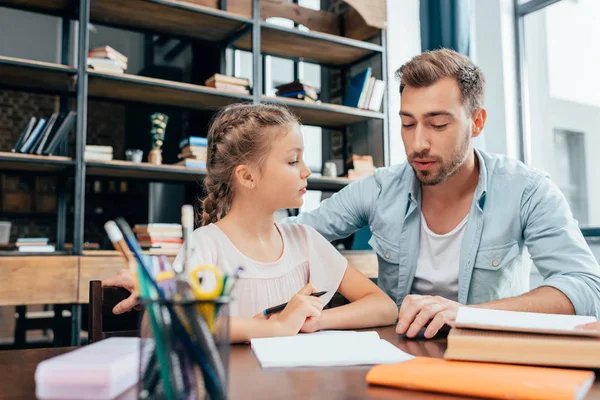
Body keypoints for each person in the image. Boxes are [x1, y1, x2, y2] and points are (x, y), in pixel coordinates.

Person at [288, 48, 600, 339]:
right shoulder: (381, 188)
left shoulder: (528, 190)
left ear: (476, 123)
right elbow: (292, 236)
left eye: (437, 124)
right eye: (408, 124)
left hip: (488, 356)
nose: (418, 142)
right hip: (399, 353)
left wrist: (467, 315)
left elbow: (586, 287)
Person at [104, 103, 398, 343]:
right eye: (293, 161)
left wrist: (317, 320)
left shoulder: (304, 239)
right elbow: (184, 322)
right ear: (247, 177)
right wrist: (275, 328)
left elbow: (385, 307)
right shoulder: (207, 245)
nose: (307, 170)